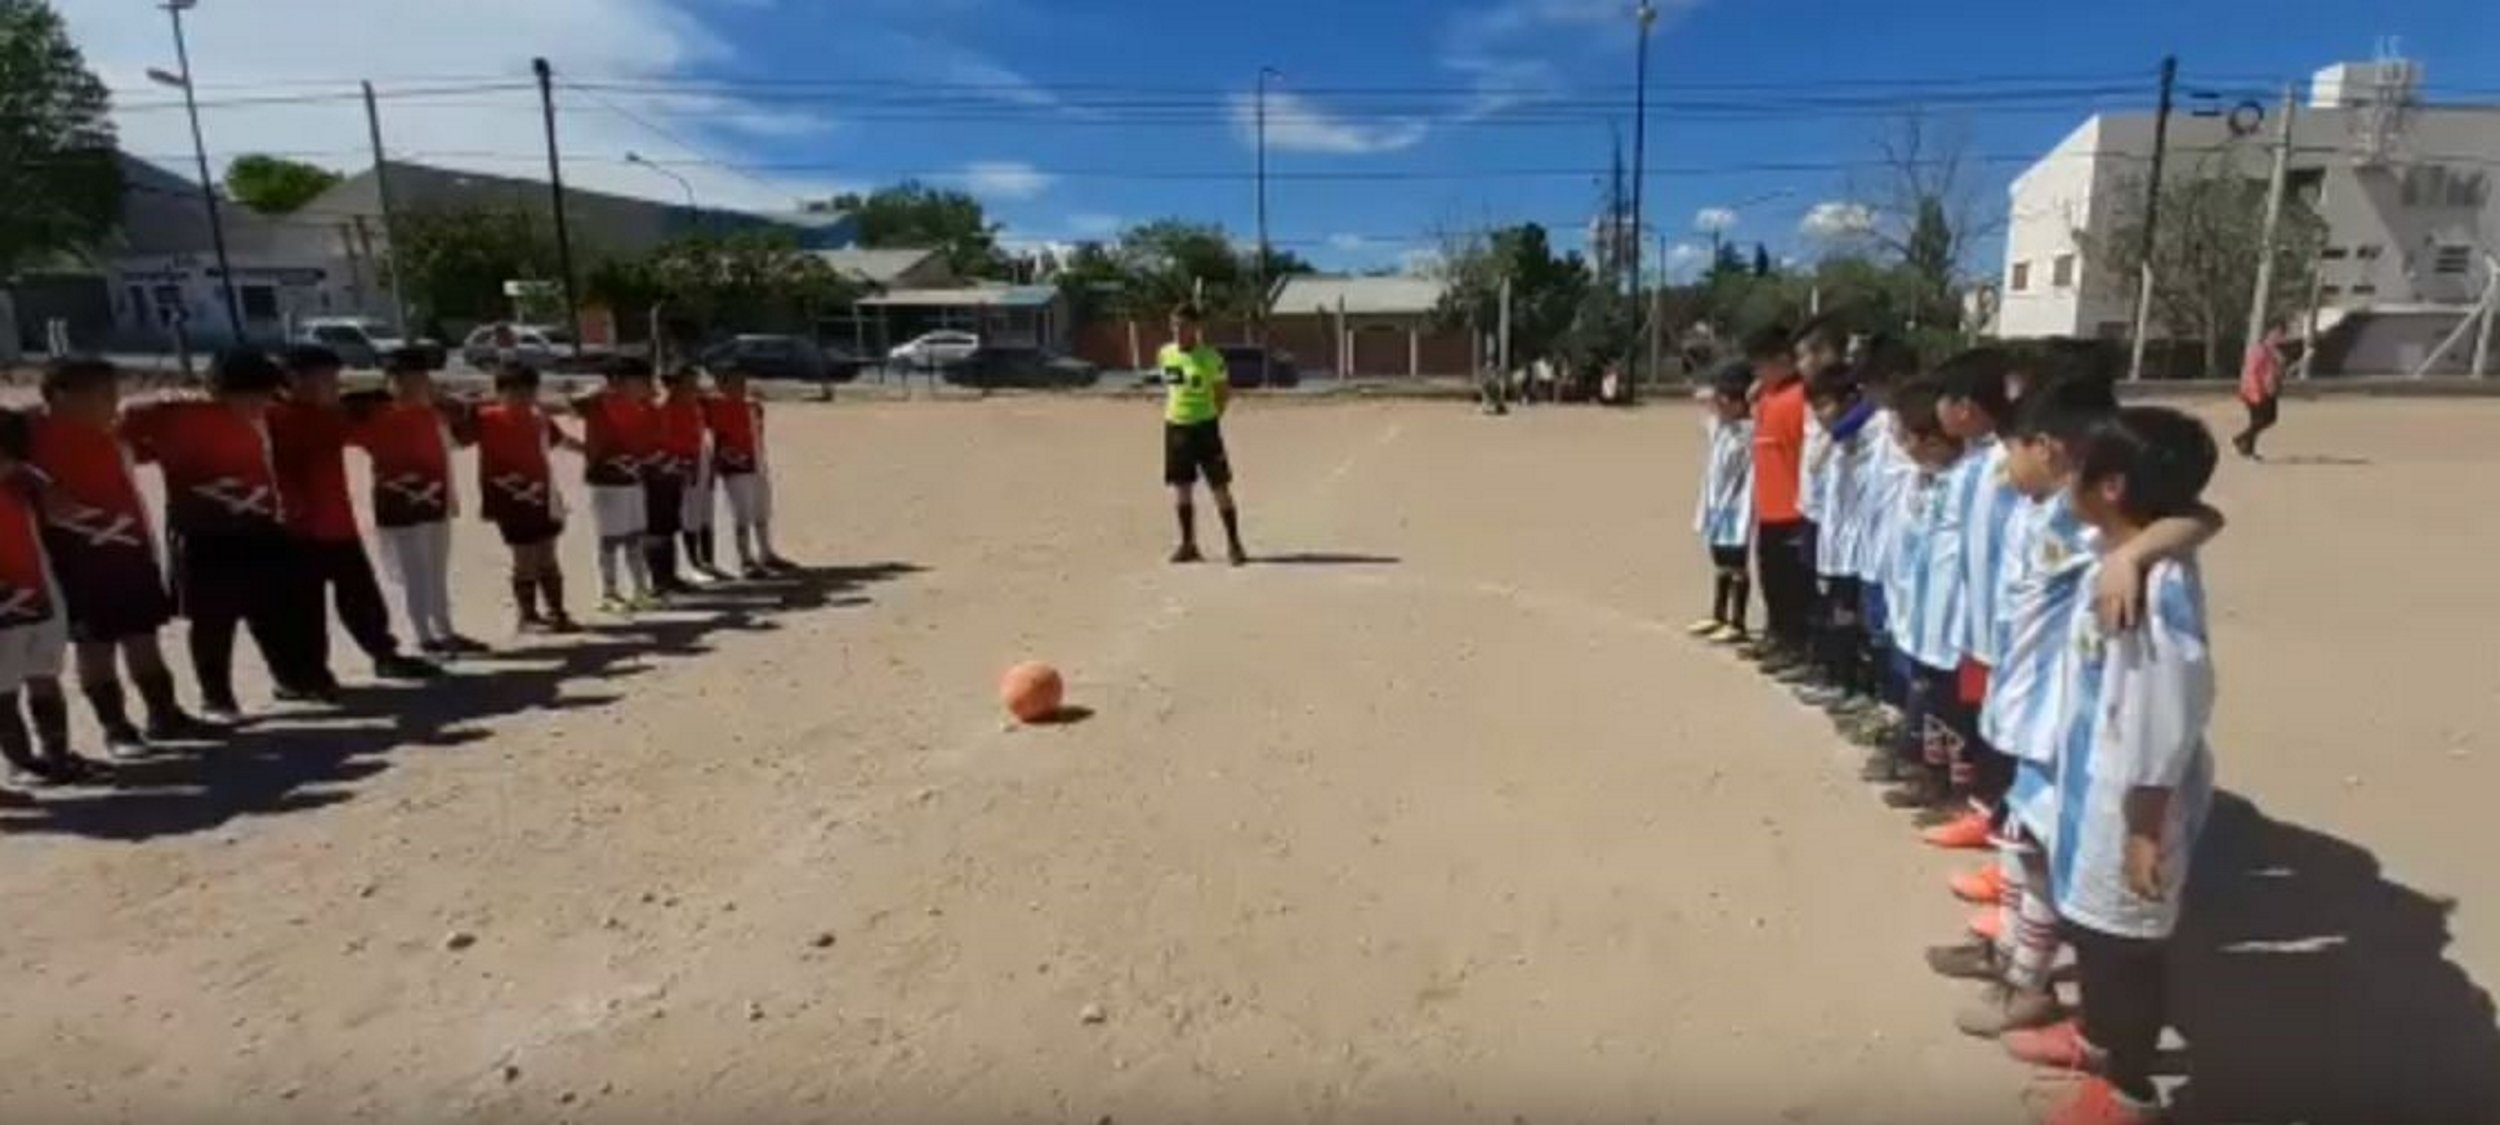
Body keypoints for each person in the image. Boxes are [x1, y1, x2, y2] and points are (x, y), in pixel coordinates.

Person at [2002, 406, 2222, 1125]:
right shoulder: (2111, 546)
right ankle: (2095, 1038)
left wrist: (2145, 825)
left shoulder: (2160, 590)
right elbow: (2203, 514)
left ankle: (2127, 1091)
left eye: (2084, 467)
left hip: (2129, 802)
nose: (2070, 474)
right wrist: (2130, 551)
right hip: (2089, 784)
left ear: (2114, 486)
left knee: (2123, 946)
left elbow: (2168, 706)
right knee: (2095, 930)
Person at [17, 357, 216, 760]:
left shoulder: (112, 434)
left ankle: (164, 714)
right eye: (102, 394)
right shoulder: (32, 435)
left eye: (114, 392)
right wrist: (42, 490)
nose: (113, 402)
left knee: (143, 635)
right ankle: (116, 728)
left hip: (128, 546)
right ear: (62, 396)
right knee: (96, 643)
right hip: (76, 555)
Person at [122, 348, 320, 722]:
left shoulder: (263, 419)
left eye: (265, 395)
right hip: (203, 532)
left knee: (270, 609)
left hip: (258, 525)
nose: (259, 403)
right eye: (250, 396)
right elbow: (125, 428)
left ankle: (289, 679)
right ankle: (217, 697)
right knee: (214, 618)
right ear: (220, 391)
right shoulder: (179, 417)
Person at [270, 345, 441, 685]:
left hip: (338, 524)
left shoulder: (331, 415)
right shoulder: (274, 418)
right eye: (325, 379)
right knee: (305, 609)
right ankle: (309, 674)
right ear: (294, 379)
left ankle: (384, 655)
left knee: (361, 597)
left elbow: (371, 427)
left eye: (334, 379)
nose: (334, 386)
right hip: (296, 531)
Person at [1920, 349, 2027, 853]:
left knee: (2002, 731)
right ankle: (1982, 810)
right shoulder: (1979, 462)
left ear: (1966, 406)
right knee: (1981, 723)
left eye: (1943, 398)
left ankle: (1996, 820)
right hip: (1975, 626)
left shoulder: (2011, 466)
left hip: (2002, 629)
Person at [1874, 374, 1966, 814]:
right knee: (1925, 693)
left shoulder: (1970, 482)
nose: (1901, 447)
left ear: (1933, 438)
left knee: (1949, 703)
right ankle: (1924, 773)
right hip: (1920, 608)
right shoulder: (1921, 479)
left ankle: (1954, 787)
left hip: (1955, 618)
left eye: (1905, 437)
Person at [348, 351, 479, 655]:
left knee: (436, 568)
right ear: (392, 381)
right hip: (399, 503)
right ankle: (423, 635)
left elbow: (462, 438)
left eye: (420, 378)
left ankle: (444, 628)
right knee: (414, 571)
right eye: (405, 379)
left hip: (436, 500)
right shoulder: (376, 414)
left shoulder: (435, 414)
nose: (416, 385)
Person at [0, 424, 91, 786]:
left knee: (44, 674)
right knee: (3, 688)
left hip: (41, 592)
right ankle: (20, 762)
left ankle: (56, 755)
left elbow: (69, 513)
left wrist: (36, 477)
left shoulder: (23, 485)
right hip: (6, 604)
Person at [473, 363, 580, 632]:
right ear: (500, 392)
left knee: (548, 555)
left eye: (528, 391)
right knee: (525, 558)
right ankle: (528, 616)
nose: (522, 397)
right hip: (509, 500)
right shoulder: (486, 419)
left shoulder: (539, 419)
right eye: (514, 391)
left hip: (542, 498)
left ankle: (557, 612)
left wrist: (588, 450)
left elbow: (561, 440)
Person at [1743, 324, 1812, 669]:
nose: (1757, 373)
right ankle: (1776, 634)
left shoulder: (1797, 399)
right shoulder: (1768, 398)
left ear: (1784, 361)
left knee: (1791, 586)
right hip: (1768, 509)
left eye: (1761, 366)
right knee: (1770, 579)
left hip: (1792, 510)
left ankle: (1794, 645)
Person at [1158, 304, 1248, 565]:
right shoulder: (1165, 354)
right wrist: (1180, 415)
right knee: (1181, 487)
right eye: (1174, 325)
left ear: (1196, 328)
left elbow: (1222, 394)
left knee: (1219, 486)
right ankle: (1188, 544)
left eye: (1183, 325)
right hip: (1176, 426)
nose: (1177, 331)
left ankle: (1234, 544)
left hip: (1205, 427)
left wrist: (1209, 417)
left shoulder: (1211, 358)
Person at [574, 357, 663, 613]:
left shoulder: (644, 409)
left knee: (635, 537)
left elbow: (649, 444)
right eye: (641, 381)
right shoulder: (601, 403)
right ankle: (609, 593)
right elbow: (575, 403)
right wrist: (600, 388)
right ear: (621, 382)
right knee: (610, 539)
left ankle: (640, 590)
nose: (646, 385)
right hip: (607, 481)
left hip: (633, 480)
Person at [701, 364, 793, 577]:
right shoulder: (714, 406)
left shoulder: (751, 406)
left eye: (742, 383)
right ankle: (744, 558)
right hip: (735, 466)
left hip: (757, 461)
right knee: (742, 513)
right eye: (733, 383)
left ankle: (766, 552)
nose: (739, 387)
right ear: (721, 385)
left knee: (762, 510)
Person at [1689, 362, 1754, 643]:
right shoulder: (1720, 426)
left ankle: (1737, 621)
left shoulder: (1748, 430)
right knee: (1719, 558)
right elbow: (1700, 397)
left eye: (1728, 401)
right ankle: (1718, 614)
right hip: (1716, 505)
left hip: (1736, 505)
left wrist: (1749, 394)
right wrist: (1715, 394)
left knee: (1736, 561)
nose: (1721, 406)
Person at [663, 366, 729, 581]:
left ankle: (709, 561)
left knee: (705, 515)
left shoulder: (696, 407)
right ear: (676, 386)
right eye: (689, 385)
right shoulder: (667, 408)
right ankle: (694, 564)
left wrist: (709, 467)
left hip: (702, 461)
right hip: (684, 466)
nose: (694, 389)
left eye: (695, 385)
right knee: (690, 516)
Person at [2233, 322, 2285, 459]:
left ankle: (2247, 448)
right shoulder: (2258, 350)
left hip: (2269, 390)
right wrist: (2256, 392)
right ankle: (2242, 440)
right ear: (2267, 334)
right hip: (2255, 390)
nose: (2278, 337)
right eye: (2276, 333)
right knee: (2263, 419)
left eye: (2280, 334)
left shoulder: (2275, 352)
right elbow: (2252, 372)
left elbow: (2276, 371)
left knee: (2265, 419)